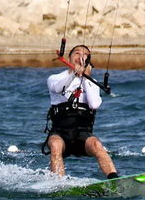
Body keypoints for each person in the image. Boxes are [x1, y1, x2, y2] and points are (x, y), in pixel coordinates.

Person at [43, 44, 118, 179]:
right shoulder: (55, 78)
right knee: (55, 145)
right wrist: (73, 74)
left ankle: (113, 178)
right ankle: (59, 184)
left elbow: (94, 104)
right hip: (60, 132)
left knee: (97, 144)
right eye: (77, 53)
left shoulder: (92, 82)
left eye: (85, 54)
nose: (81, 56)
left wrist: (85, 77)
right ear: (69, 58)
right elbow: (58, 88)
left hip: (83, 134)